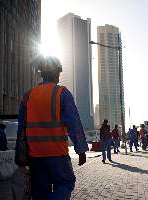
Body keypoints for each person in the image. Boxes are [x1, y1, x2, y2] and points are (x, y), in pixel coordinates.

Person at [16, 56, 88, 200]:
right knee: (65, 184)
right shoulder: (62, 93)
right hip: (57, 154)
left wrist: (20, 155)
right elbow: (74, 124)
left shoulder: (28, 95)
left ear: (41, 73)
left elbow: (21, 129)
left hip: (35, 156)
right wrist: (81, 150)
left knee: (40, 192)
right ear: (57, 73)